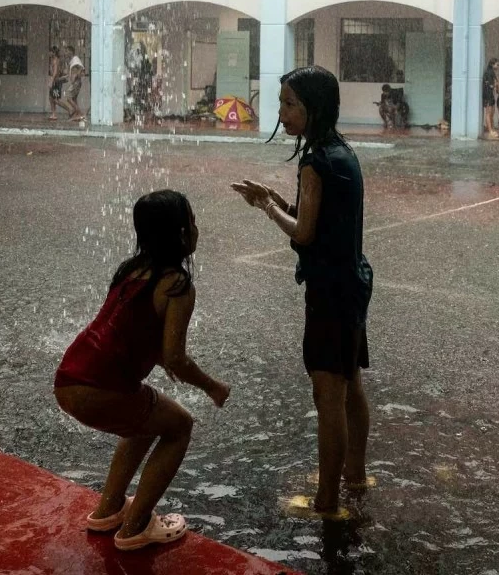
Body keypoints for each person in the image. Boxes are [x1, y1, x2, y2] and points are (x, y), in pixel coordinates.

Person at [232, 66, 373, 519]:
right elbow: (324, 220)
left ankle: (327, 501)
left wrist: (267, 206)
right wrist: (280, 198)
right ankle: (353, 475)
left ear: (314, 106)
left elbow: (306, 234)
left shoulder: (315, 161)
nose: (282, 112)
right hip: (352, 282)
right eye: (281, 104)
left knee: (327, 393)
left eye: (290, 104)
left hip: (330, 291)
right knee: (350, 384)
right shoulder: (341, 151)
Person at [54, 191, 230, 551]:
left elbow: (139, 332)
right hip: (101, 388)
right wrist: (213, 387)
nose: (197, 229)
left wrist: (163, 360)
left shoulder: (131, 270)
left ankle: (109, 509)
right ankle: (135, 529)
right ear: (180, 233)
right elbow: (175, 357)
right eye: (193, 222)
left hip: (69, 378)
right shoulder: (177, 284)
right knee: (180, 427)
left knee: (149, 419)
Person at [482, 58, 499, 137]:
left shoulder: (491, 72)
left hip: (490, 95)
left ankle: (491, 128)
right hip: (488, 95)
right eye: (497, 65)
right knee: (488, 113)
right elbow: (490, 85)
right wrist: (495, 85)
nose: (498, 66)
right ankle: (490, 130)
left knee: (492, 112)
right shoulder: (489, 73)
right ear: (492, 64)